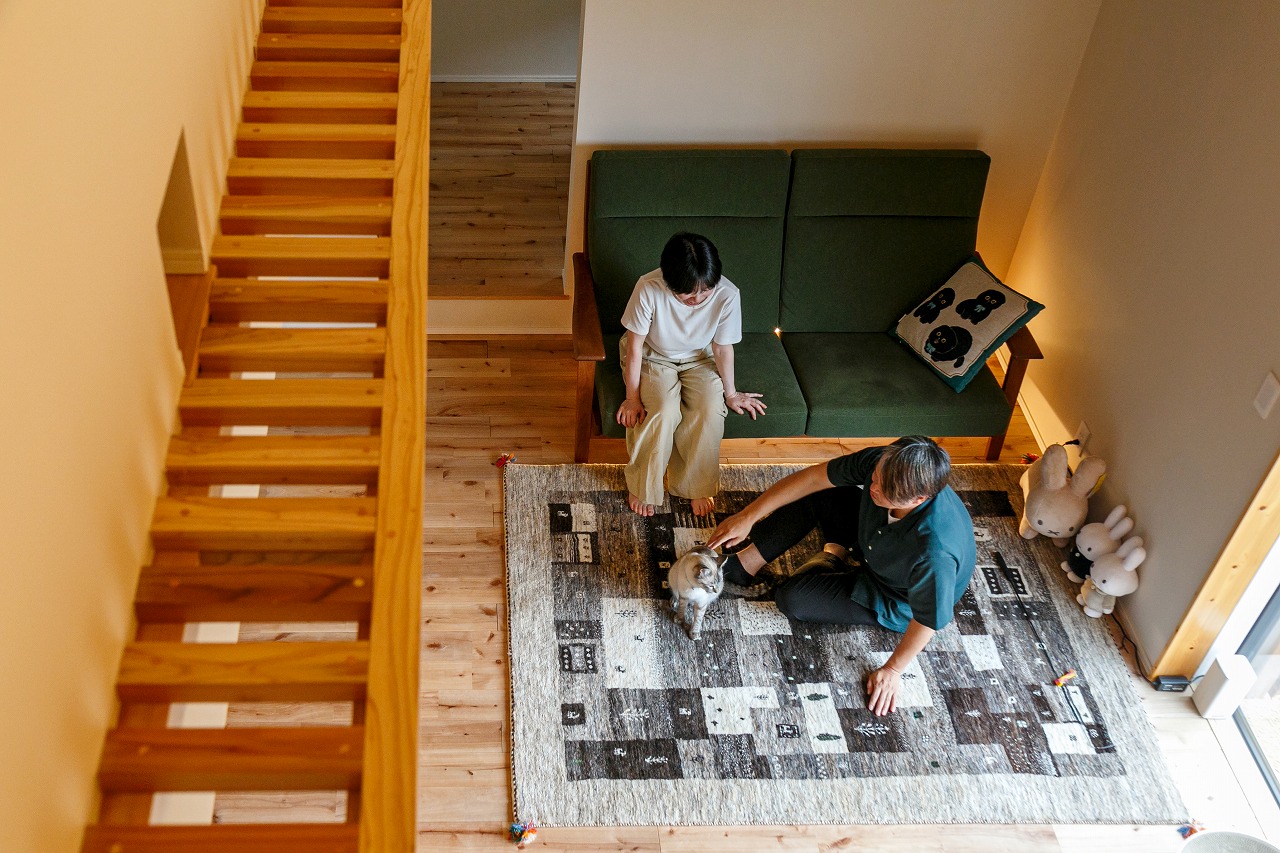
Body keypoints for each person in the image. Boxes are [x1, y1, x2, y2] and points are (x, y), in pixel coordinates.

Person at [706, 436, 975, 717]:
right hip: (871, 540)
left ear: (918, 499)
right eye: (874, 478)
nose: (873, 487)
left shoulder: (936, 551)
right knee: (820, 491)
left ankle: (833, 555)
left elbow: (928, 620)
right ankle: (745, 564)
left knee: (792, 599)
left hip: (891, 595)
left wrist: (893, 670)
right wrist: (748, 516)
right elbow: (813, 478)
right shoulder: (886, 462)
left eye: (884, 490)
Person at [617, 233, 766, 517]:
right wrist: (632, 398)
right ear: (669, 281)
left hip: (700, 357)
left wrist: (731, 393)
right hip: (652, 354)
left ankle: (696, 485)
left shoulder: (728, 294)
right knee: (662, 410)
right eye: (688, 294)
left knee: (710, 409)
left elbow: (722, 348)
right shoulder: (648, 287)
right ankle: (644, 486)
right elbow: (635, 347)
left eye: (705, 292)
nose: (697, 300)